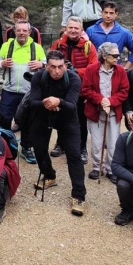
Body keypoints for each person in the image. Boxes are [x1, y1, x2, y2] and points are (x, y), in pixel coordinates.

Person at [27, 51, 86, 216]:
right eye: (52, 67)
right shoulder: (39, 77)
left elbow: (73, 106)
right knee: (38, 146)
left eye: (60, 67)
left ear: (65, 66)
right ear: (46, 66)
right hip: (43, 115)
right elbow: (33, 102)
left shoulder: (73, 78)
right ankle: (49, 175)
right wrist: (52, 104)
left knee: (74, 154)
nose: (57, 71)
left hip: (68, 118)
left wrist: (58, 102)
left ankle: (78, 195)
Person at [48, 16, 98, 164]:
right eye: (70, 27)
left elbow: (93, 68)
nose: (73, 30)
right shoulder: (58, 44)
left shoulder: (89, 46)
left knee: (80, 120)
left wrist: (74, 71)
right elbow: (49, 62)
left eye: (76, 28)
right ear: (66, 29)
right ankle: (61, 144)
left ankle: (82, 148)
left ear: (82, 30)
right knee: (60, 117)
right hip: (60, 89)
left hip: (80, 90)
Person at [0, 20, 46, 163]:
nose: (22, 33)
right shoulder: (7, 46)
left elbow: (47, 65)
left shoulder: (37, 47)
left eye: (25, 30)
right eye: (19, 30)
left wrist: (41, 64)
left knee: (28, 121)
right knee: (4, 118)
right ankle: (4, 147)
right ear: (14, 32)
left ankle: (26, 148)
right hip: (9, 90)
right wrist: (2, 63)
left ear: (30, 32)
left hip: (29, 92)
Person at [82, 42, 129, 182]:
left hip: (113, 113)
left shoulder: (120, 71)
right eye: (114, 55)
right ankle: (97, 167)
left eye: (118, 55)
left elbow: (124, 91)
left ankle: (111, 168)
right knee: (96, 142)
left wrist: (111, 101)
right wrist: (101, 100)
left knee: (113, 143)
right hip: (95, 113)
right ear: (104, 56)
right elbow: (86, 89)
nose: (118, 58)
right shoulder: (91, 69)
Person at [85, 1, 133, 69]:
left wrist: (126, 67)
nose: (108, 16)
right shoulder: (91, 31)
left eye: (111, 13)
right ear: (101, 13)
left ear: (116, 14)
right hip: (95, 70)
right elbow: (84, 51)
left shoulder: (124, 32)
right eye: (106, 12)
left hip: (115, 71)